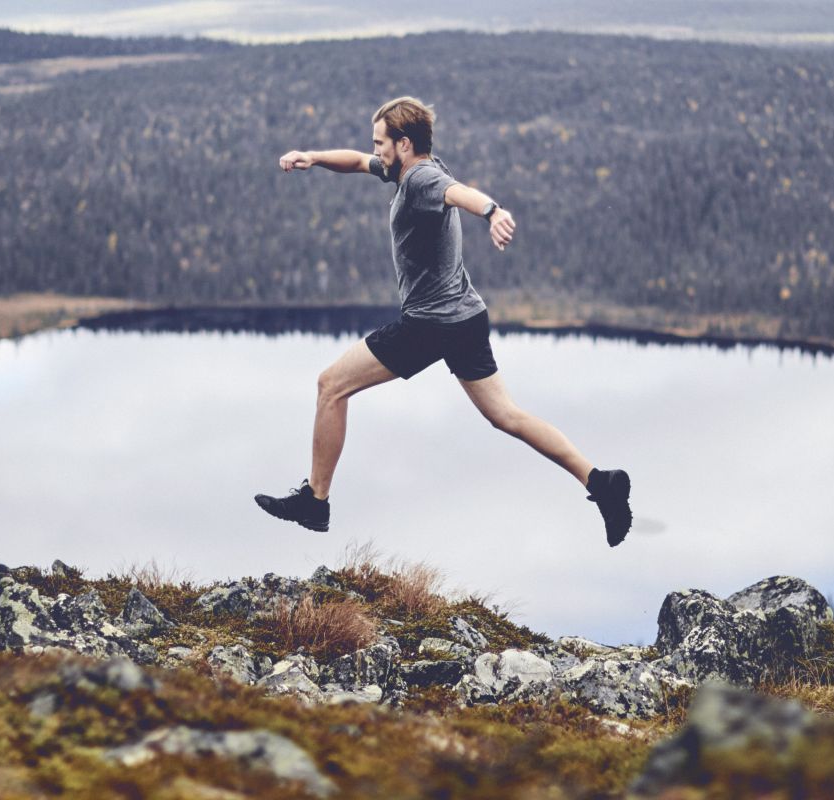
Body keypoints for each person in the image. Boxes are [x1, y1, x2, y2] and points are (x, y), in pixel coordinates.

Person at [255, 96, 634, 546]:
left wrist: (493, 212)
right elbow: (356, 162)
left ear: (404, 143)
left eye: (380, 143)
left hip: (429, 325)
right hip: (466, 317)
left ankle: (315, 502)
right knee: (507, 416)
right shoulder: (410, 166)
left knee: (331, 386)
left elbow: (458, 193)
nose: (374, 151)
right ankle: (601, 483)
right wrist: (313, 157)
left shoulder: (421, 178)